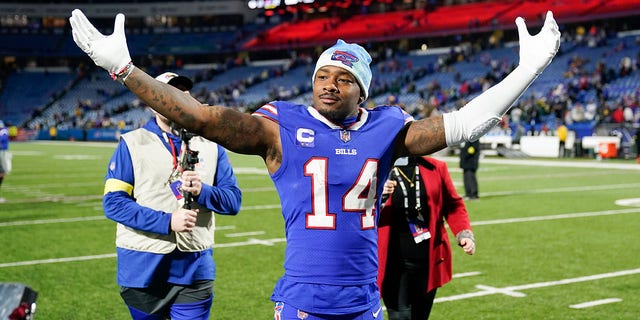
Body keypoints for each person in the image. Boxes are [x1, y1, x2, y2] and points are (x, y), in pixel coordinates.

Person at [70, 9, 560, 319]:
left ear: (361, 89)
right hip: (302, 300)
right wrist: (123, 69)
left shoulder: (388, 127)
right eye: (322, 74)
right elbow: (202, 117)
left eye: (343, 78)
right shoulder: (280, 126)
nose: (328, 84)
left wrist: (526, 71)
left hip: (366, 301)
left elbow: (463, 125)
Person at [101, 72, 242, 320]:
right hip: (141, 268)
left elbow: (233, 201)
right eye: (168, 93)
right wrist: (167, 222)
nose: (177, 99)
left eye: (182, 94)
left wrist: (203, 191)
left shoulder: (212, 146)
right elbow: (113, 204)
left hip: (195, 267)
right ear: (152, 100)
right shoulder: (132, 143)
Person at [377, 156, 475, 320]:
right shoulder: (377, 166)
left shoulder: (435, 167)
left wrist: (464, 233)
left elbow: (453, 204)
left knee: (421, 316)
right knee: (399, 316)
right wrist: (378, 195)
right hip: (392, 261)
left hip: (428, 259)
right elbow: (357, 211)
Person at [0, 120, 10, 203]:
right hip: (1, 152)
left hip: (3, 152)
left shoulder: (3, 130)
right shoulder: (4, 130)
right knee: (2, 173)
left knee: (3, 173)